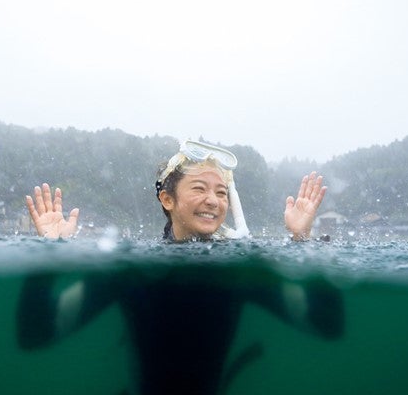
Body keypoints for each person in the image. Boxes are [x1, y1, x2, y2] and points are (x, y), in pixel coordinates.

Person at [17, 140, 343, 395]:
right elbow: (36, 333)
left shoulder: (240, 271)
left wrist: (305, 240)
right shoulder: (132, 271)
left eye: (221, 192)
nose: (214, 201)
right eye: (199, 188)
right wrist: (49, 253)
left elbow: (326, 323)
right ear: (167, 199)